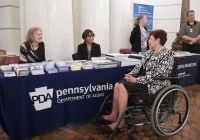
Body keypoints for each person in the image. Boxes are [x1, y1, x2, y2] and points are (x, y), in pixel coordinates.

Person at [98, 29, 174, 133]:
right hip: (144, 80)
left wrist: (136, 79)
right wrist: (131, 74)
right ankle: (113, 115)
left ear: (158, 40)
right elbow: (139, 67)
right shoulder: (149, 52)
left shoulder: (167, 54)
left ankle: (121, 121)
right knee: (117, 84)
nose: (148, 41)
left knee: (122, 86)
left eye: (150, 39)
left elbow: (158, 75)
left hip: (155, 84)